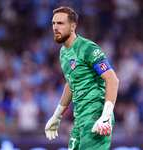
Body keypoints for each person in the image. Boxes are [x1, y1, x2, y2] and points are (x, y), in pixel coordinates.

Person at [45, 6, 119, 150]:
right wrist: (57, 115)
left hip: (96, 116)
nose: (55, 27)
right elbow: (71, 83)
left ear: (73, 26)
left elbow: (112, 80)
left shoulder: (88, 48)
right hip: (79, 119)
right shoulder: (63, 53)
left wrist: (105, 116)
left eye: (60, 23)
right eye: (53, 23)